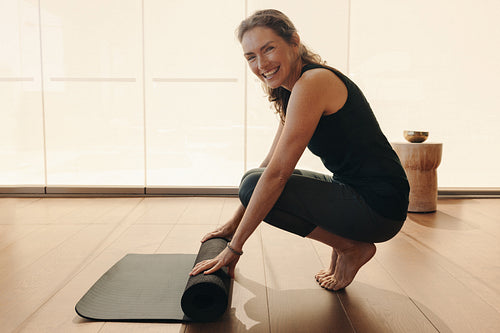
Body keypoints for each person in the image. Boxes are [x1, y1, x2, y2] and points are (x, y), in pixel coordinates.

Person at [190, 9, 409, 291]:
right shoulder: (291, 88)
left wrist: (234, 249)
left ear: (294, 42)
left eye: (268, 49)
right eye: (251, 57)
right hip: (357, 192)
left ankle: (351, 248)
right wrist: (233, 224)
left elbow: (279, 174)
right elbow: (270, 164)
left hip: (379, 207)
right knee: (252, 179)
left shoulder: (312, 83)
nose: (261, 63)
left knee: (257, 184)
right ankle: (347, 244)